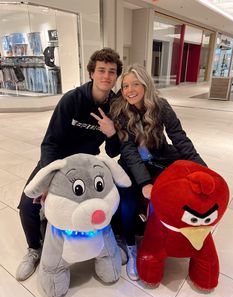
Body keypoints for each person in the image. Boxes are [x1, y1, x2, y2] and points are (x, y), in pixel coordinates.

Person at [16, 47, 123, 281]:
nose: (106, 76)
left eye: (112, 72)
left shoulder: (116, 106)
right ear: (91, 73)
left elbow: (114, 151)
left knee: (112, 198)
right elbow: (50, 142)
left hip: (88, 164)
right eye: (101, 70)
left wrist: (112, 133)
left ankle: (110, 241)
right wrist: (49, 177)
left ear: (116, 76)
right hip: (58, 161)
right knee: (28, 204)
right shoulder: (71, 100)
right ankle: (34, 249)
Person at [110, 63, 207, 281]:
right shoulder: (121, 111)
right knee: (127, 202)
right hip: (131, 163)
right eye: (125, 86)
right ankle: (131, 246)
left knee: (185, 182)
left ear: (146, 85)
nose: (129, 90)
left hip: (160, 156)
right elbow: (128, 150)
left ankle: (178, 233)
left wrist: (202, 169)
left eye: (135, 84)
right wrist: (144, 182)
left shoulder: (161, 106)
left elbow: (180, 138)